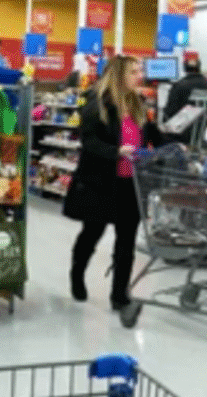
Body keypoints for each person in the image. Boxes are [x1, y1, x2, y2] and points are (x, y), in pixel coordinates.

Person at [63, 56, 164, 310]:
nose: (139, 75)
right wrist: (117, 150)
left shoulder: (139, 103)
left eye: (139, 70)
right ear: (119, 75)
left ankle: (119, 295)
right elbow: (89, 140)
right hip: (101, 181)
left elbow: (151, 132)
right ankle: (77, 274)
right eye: (133, 71)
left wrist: (173, 145)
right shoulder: (98, 103)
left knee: (126, 241)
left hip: (131, 183)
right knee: (92, 233)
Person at [162, 57, 207, 143]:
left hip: (182, 137)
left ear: (184, 69)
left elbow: (169, 113)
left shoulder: (178, 86)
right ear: (199, 67)